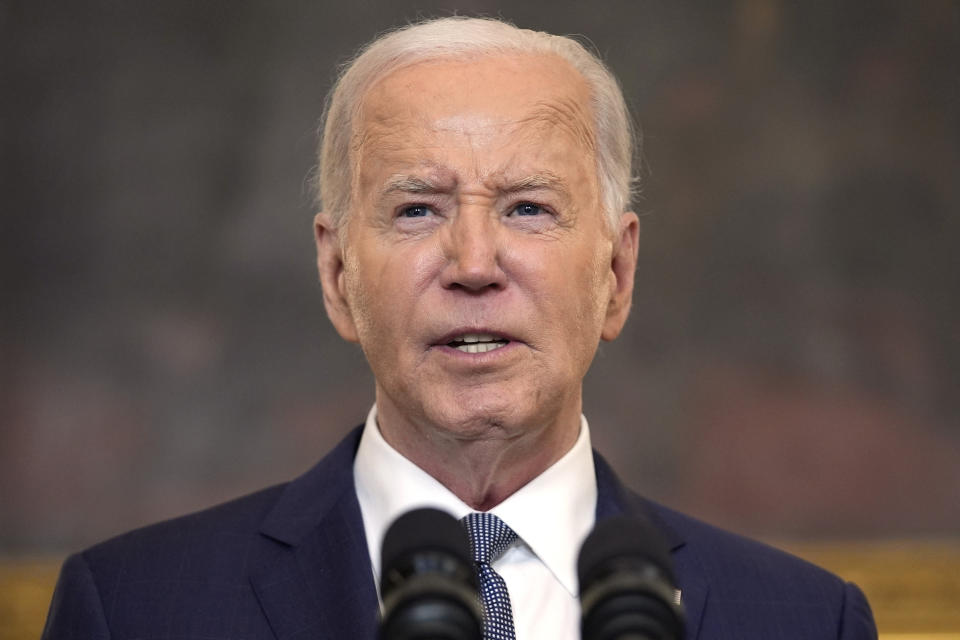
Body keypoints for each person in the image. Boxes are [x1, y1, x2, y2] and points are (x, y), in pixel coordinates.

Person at [42, 16, 877, 640]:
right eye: (416, 209)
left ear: (616, 275)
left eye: (528, 208)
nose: (474, 261)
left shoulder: (804, 620)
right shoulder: (136, 608)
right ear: (337, 276)